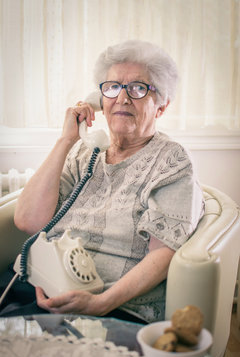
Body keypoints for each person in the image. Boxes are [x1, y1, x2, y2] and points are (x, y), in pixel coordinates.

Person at [0, 40, 204, 323]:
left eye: (137, 88)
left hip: (112, 306)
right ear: (99, 99)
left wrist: (100, 302)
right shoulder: (84, 151)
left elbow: (162, 255)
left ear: (161, 106)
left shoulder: (173, 162)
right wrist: (66, 139)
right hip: (37, 284)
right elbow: (28, 221)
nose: (122, 98)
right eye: (112, 87)